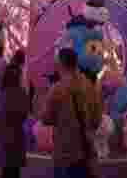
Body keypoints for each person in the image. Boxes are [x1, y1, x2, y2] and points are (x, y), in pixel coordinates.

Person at [41, 48, 102, 178]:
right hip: (86, 152)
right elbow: (97, 120)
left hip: (64, 152)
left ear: (61, 64)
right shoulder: (90, 86)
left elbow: (45, 118)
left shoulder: (57, 89)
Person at [0, 65, 32, 178]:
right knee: (15, 171)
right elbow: (25, 114)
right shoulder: (22, 94)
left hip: (3, 136)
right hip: (17, 135)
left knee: (5, 170)